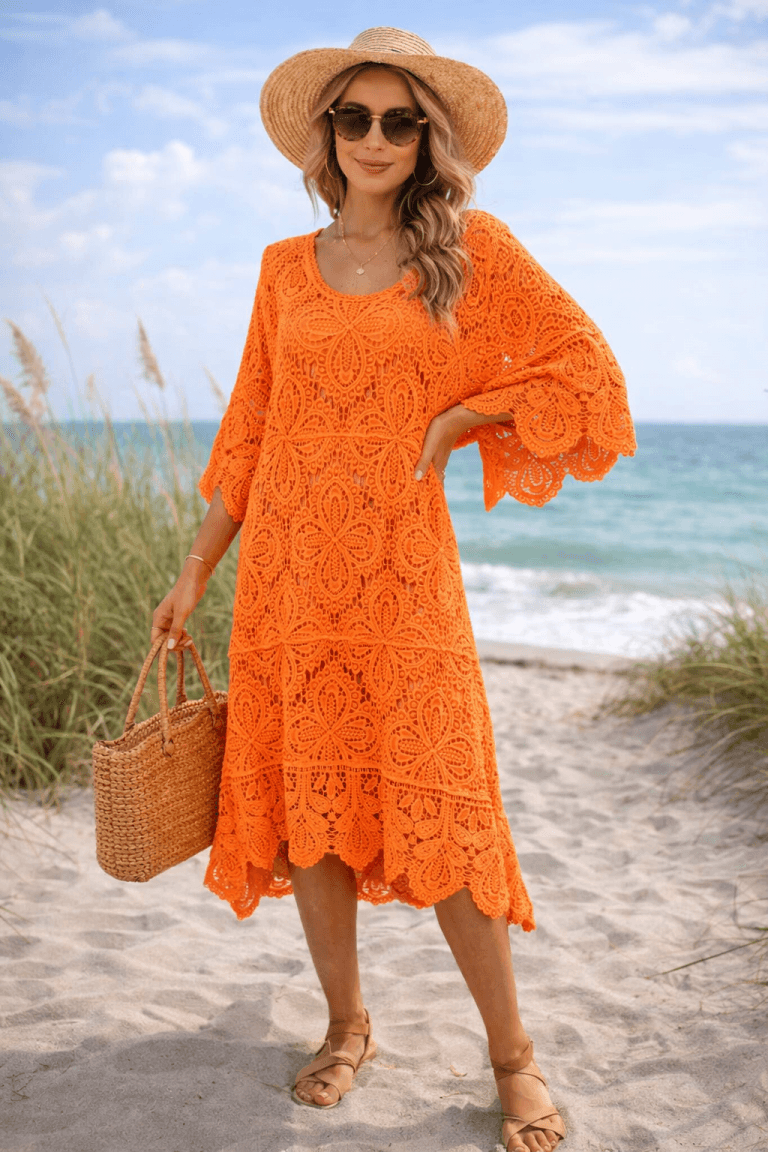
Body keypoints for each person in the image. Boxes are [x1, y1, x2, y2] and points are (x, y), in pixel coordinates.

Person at [151, 27, 635, 1152]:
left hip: (404, 583)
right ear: (326, 136)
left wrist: (471, 413)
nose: (374, 138)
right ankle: (346, 1024)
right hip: (283, 579)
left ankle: (513, 1055)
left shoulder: (475, 252)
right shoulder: (282, 266)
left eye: (398, 120)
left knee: (447, 807)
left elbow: (586, 373)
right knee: (313, 819)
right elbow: (249, 430)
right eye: (354, 118)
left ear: (429, 139)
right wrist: (193, 575)